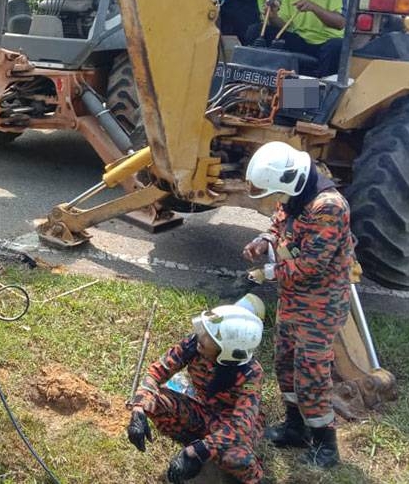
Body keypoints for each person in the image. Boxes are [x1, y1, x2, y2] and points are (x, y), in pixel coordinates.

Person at [242, 141, 355, 469]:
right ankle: (295, 428)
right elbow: (280, 224)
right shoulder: (296, 194)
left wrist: (266, 273)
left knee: (311, 372)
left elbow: (310, 266)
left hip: (321, 305)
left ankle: (325, 443)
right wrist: (264, 240)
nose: (277, 200)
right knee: (285, 363)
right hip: (293, 299)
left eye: (277, 192)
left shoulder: (329, 207)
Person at [126, 296, 266, 484]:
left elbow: (240, 427)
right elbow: (156, 373)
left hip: (229, 424)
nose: (201, 336)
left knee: (237, 458)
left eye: (211, 337)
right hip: (203, 408)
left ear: (227, 350)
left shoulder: (250, 373)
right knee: (155, 401)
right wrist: (138, 409)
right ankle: (193, 442)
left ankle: (252, 479)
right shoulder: (194, 345)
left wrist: (197, 452)